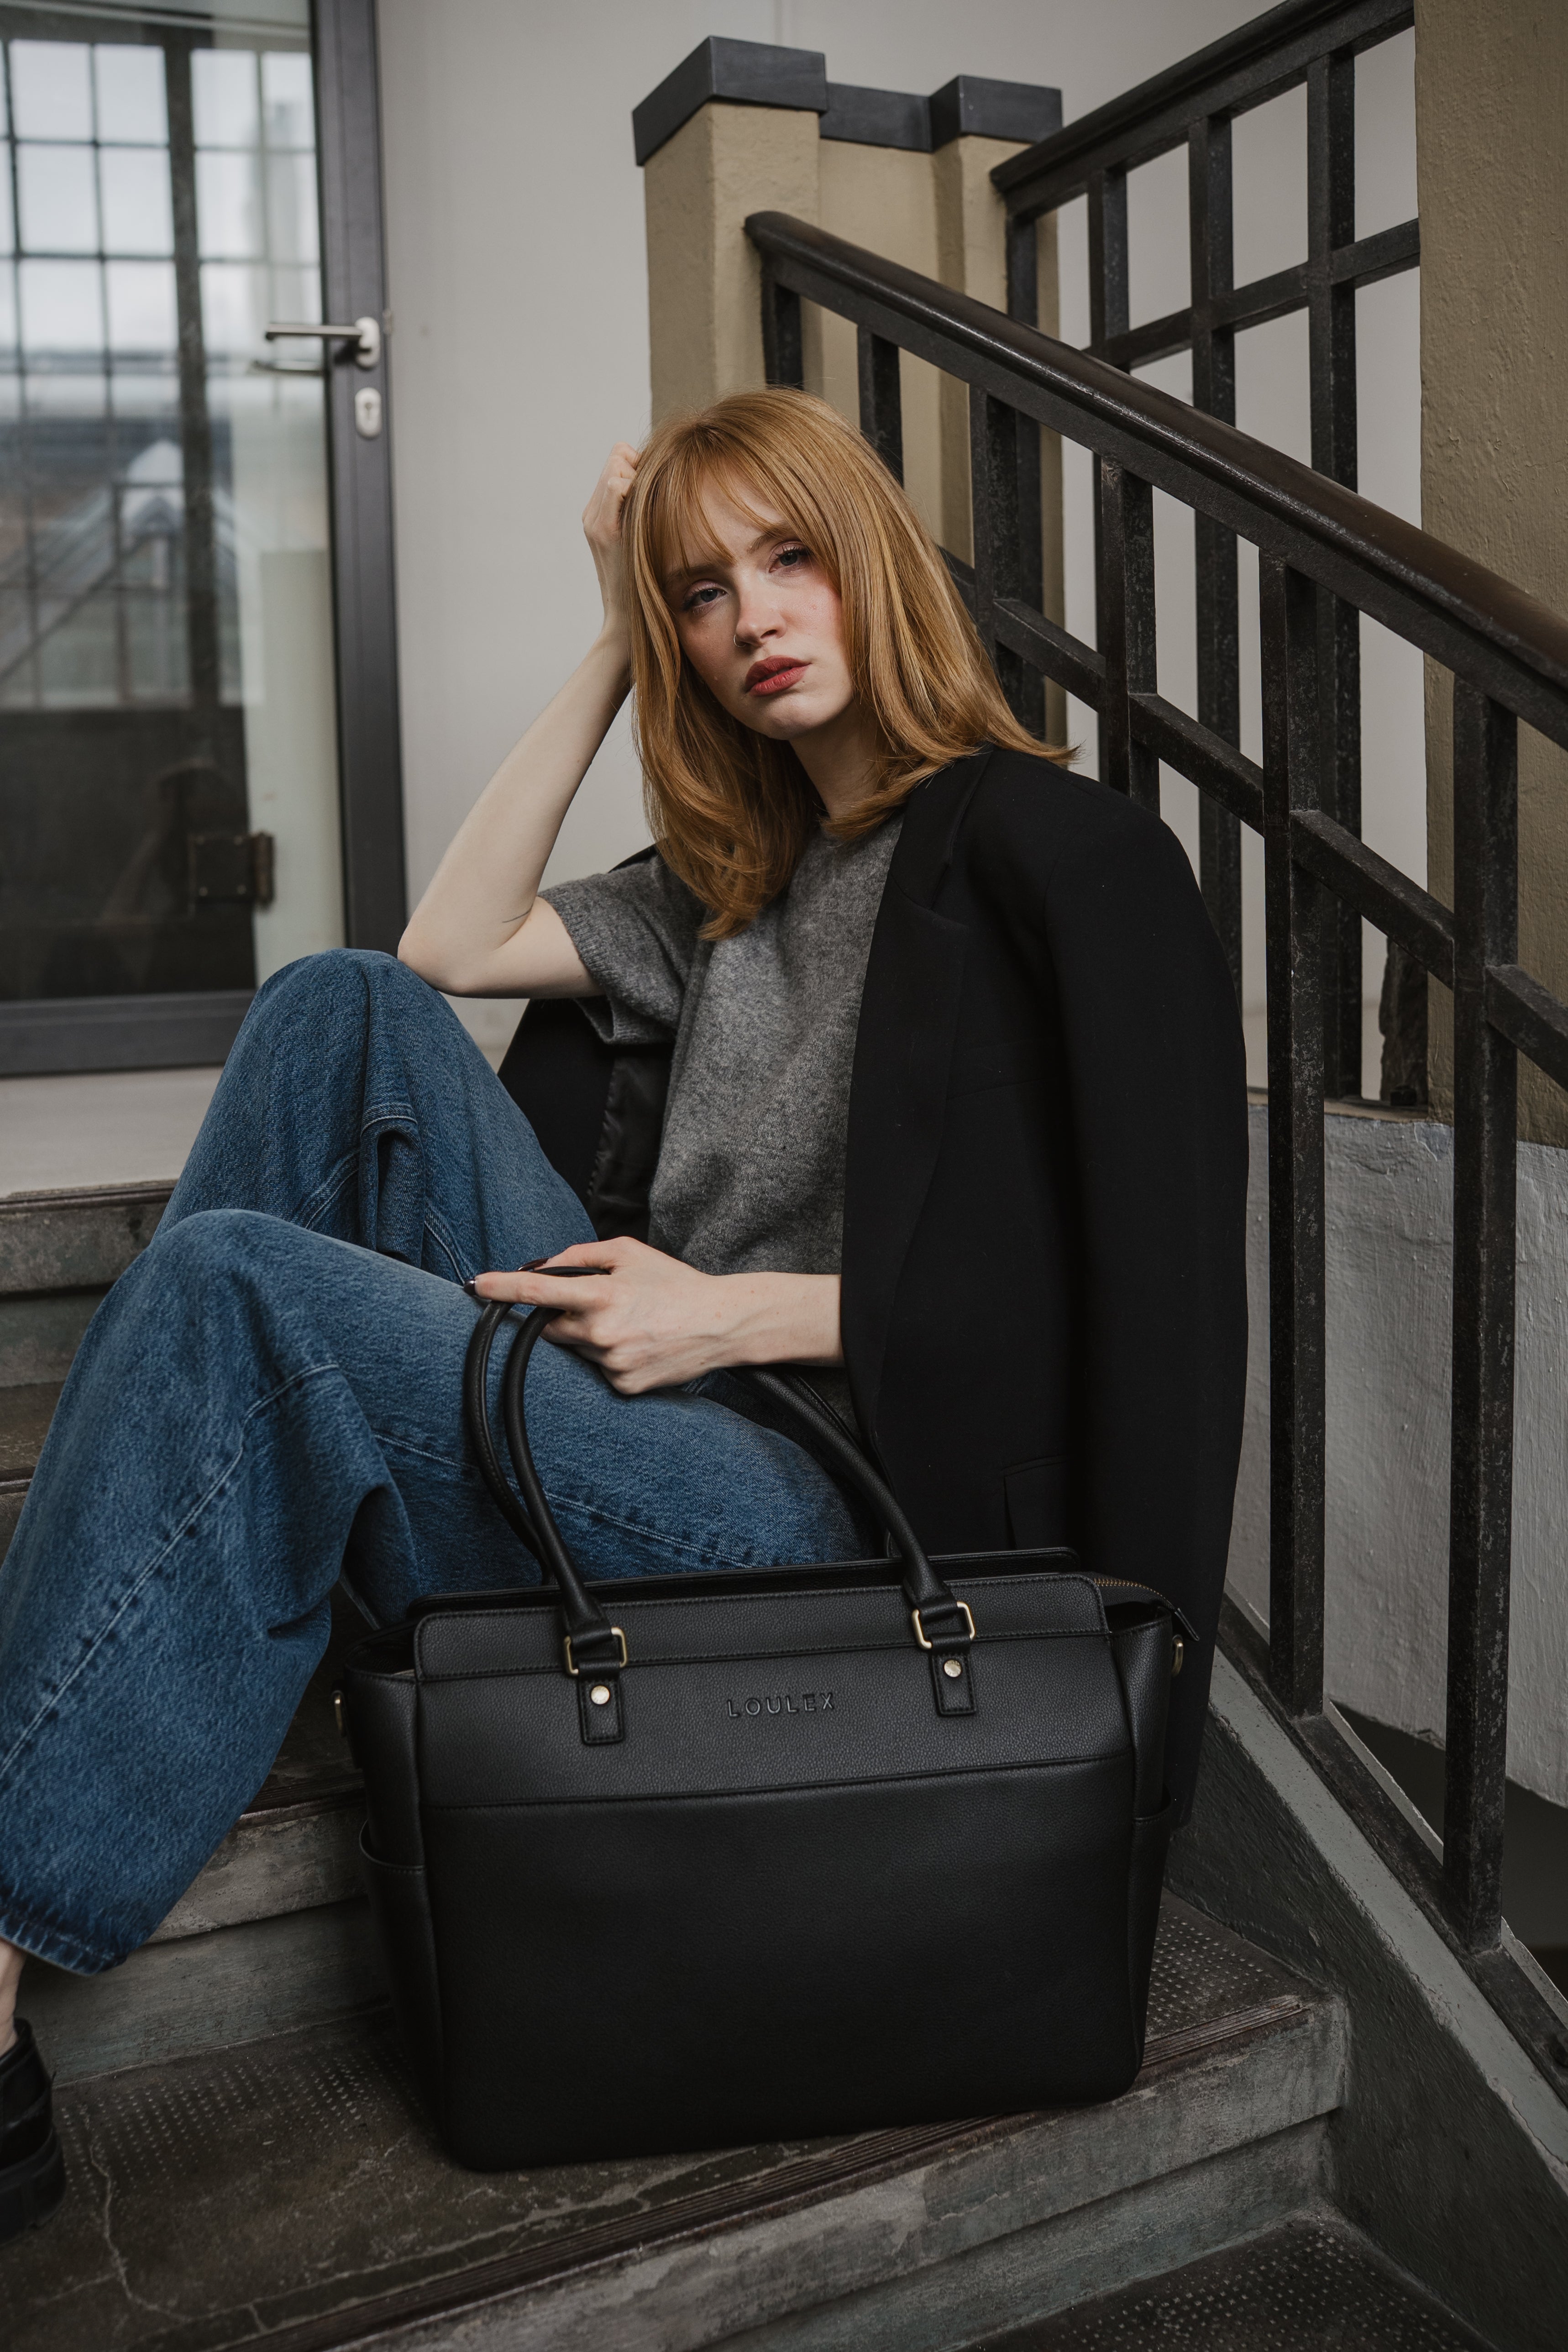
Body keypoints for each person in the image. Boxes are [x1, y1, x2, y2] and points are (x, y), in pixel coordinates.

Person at [0, 388, 1247, 2238]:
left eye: (789, 557)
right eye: (699, 588)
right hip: (636, 1400)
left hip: (825, 1492)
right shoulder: (728, 889)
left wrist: (744, 1319)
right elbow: (446, 949)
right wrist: (605, 632)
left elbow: (1147, 1286)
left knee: (238, 1286)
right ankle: (187, 1555)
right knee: (336, 999)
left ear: (874, 565)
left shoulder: (1060, 853)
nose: (751, 612)